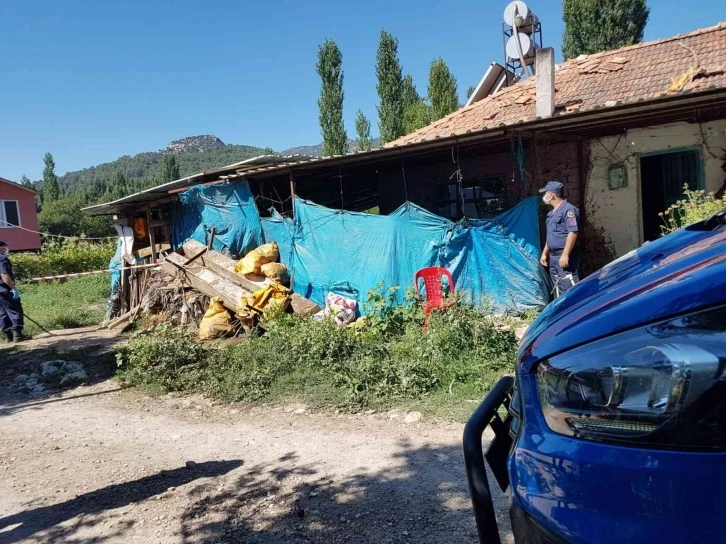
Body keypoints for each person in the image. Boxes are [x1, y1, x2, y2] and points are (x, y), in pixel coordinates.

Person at [538, 182, 582, 296]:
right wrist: (544, 253)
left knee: (570, 286)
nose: (544, 196)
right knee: (558, 287)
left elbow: (573, 232)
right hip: (553, 257)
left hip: (564, 256)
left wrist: (565, 254)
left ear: (552, 195)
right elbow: (551, 235)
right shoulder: (551, 214)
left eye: (545, 193)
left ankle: (576, 311)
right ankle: (563, 312)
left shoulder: (569, 210)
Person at [0, 241, 30, 342]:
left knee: (2, 313)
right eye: (4, 247)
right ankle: (17, 335)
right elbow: (4, 275)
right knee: (15, 310)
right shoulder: (2, 259)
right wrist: (13, 288)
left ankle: (8, 337)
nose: (5, 249)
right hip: (5, 290)